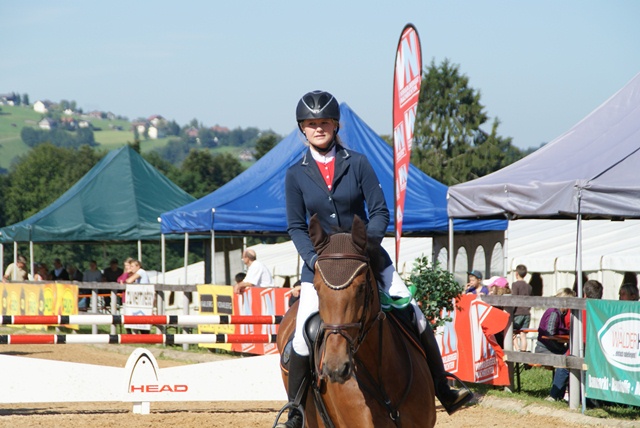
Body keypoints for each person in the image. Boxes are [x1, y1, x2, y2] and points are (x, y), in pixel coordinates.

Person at [277, 90, 471, 428]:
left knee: (415, 315)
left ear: (335, 125)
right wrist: (312, 259)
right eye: (311, 124)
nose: (318, 128)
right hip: (322, 266)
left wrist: (365, 247)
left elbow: (379, 212)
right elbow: (295, 225)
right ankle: (296, 411)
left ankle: (443, 388)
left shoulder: (358, 163)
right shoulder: (296, 173)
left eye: (324, 122)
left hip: (366, 258)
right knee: (302, 335)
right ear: (303, 129)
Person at [546, 280, 603, 403]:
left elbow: (568, 323)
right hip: (600, 348)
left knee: (564, 364)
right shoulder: (604, 308)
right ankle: (590, 398)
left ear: (585, 294)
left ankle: (555, 395)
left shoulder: (579, 307)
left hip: (581, 345)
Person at [534, 287, 575, 355]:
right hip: (547, 349)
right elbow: (549, 335)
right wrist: (561, 349)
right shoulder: (554, 313)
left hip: (552, 348)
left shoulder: (559, 313)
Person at [511, 264, 533, 352]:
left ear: (516, 273)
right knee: (523, 335)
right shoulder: (529, 286)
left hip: (517, 313)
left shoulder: (515, 285)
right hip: (527, 313)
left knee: (512, 332)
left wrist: (511, 312)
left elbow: (514, 299)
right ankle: (523, 351)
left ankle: (517, 349)